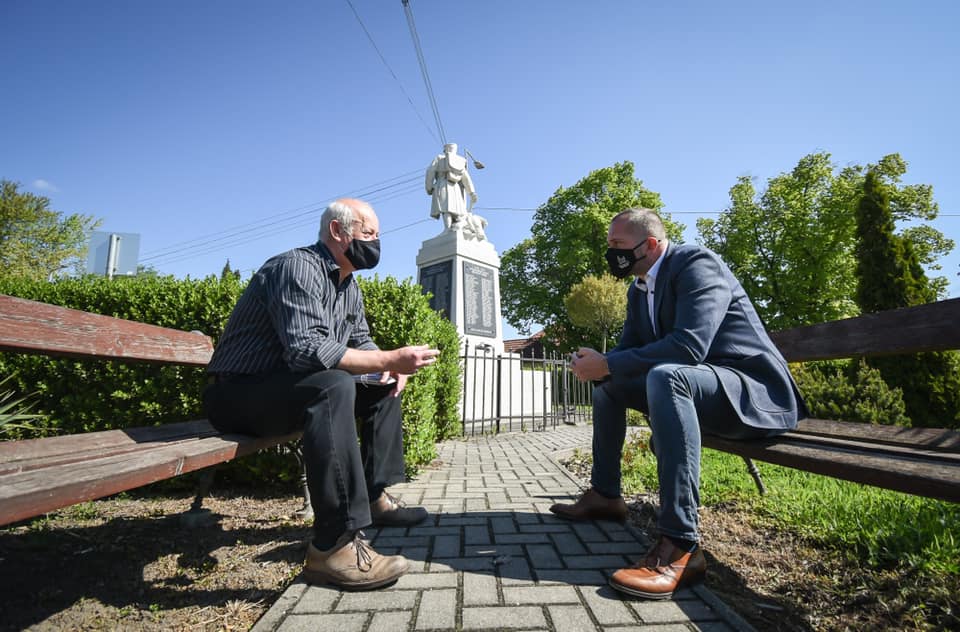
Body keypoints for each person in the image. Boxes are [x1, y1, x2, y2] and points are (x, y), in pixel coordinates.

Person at [552, 208, 807, 600]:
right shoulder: (639, 289)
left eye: (618, 245)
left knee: (667, 376)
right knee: (608, 386)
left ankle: (681, 546)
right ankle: (605, 495)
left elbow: (689, 347)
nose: (611, 254)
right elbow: (628, 350)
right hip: (704, 389)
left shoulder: (696, 265)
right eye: (609, 245)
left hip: (752, 391)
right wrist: (599, 363)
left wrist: (610, 363)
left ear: (651, 245)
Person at [203, 198, 440, 591]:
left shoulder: (349, 287)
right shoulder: (296, 268)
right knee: (334, 385)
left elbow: (361, 342)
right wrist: (388, 358)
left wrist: (388, 367)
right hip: (238, 394)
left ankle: (375, 498)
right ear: (337, 231)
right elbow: (305, 350)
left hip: (288, 389)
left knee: (382, 387)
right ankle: (332, 546)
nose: (376, 243)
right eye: (368, 233)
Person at [425, 142, 478, 231]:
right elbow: (466, 178)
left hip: (442, 184)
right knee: (455, 208)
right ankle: (451, 229)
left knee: (446, 208)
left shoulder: (439, 158)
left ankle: (448, 228)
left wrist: (429, 187)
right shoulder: (459, 161)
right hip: (455, 187)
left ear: (445, 149)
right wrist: (472, 192)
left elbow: (430, 171)